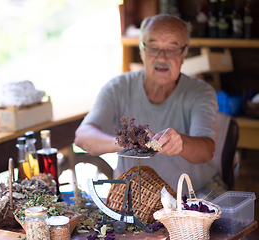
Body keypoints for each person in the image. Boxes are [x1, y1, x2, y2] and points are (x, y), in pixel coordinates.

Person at [74, 14, 223, 195]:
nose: (162, 57)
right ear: (141, 49)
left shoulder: (200, 92)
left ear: (184, 53)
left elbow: (207, 151)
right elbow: (82, 137)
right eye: (153, 47)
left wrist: (181, 143)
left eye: (172, 49)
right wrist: (126, 142)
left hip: (191, 195)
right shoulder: (117, 88)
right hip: (134, 198)